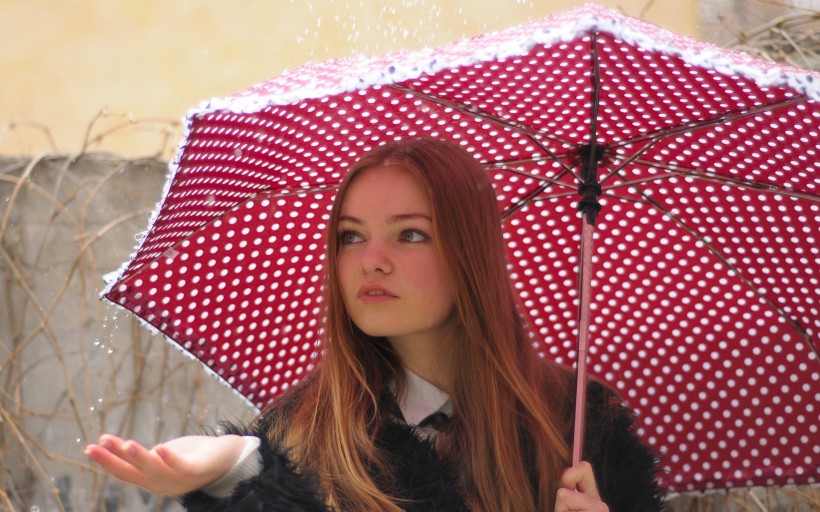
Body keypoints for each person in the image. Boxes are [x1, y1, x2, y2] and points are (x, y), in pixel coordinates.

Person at [86, 138, 667, 511]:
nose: (372, 259)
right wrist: (240, 467)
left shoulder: (578, 431)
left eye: (410, 233)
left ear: (472, 255)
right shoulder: (305, 436)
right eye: (351, 236)